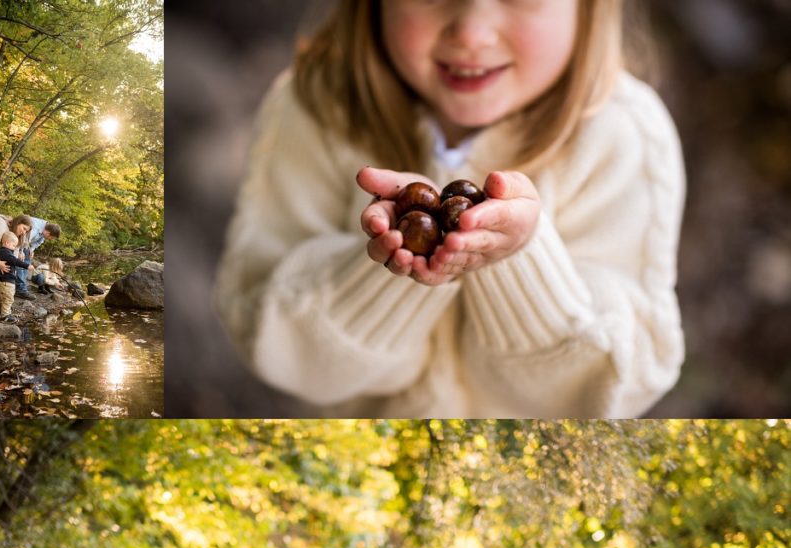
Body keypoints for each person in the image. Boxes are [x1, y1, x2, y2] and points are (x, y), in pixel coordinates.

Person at [214, 0, 685, 418]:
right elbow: (269, 339)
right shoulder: (313, 107)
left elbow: (610, 390)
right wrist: (395, 265)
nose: (471, 32)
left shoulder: (625, 135)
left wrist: (520, 256)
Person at [15, 218, 61, 300]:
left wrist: (31, 250)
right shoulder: (35, 228)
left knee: (27, 264)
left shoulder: (44, 231)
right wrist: (20, 251)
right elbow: (24, 238)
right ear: (48, 233)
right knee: (21, 264)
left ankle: (22, 286)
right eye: (52, 237)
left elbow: (38, 242)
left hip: (26, 244)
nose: (51, 239)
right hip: (17, 240)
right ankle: (20, 290)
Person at [0, 232, 31, 323]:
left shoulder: (3, 252)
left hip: (5, 280)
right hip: (6, 280)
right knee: (8, 298)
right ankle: (5, 316)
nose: (14, 248)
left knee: (6, 297)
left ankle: (5, 312)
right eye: (13, 245)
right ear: (6, 243)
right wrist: (27, 266)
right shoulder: (5, 252)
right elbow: (14, 260)